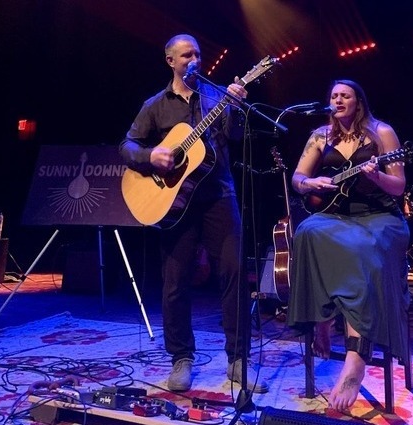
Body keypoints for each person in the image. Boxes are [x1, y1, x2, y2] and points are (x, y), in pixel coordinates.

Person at [119, 34, 268, 393]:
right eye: (186, 55)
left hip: (219, 193)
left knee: (234, 274)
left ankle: (237, 360)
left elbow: (235, 137)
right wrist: (150, 156)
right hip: (174, 202)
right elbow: (127, 146)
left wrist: (234, 108)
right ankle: (181, 359)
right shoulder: (155, 105)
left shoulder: (217, 95)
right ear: (170, 61)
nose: (194, 60)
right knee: (175, 283)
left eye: (198, 53)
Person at [287, 79, 410, 412]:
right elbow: (298, 179)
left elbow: (398, 186)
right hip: (336, 216)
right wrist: (310, 182)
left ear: (358, 102)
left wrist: (375, 177)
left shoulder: (381, 133)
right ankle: (321, 321)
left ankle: (356, 358)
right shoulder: (319, 135)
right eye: (333, 95)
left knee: (361, 250)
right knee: (307, 233)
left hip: (381, 217)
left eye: (345, 95)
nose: (338, 99)